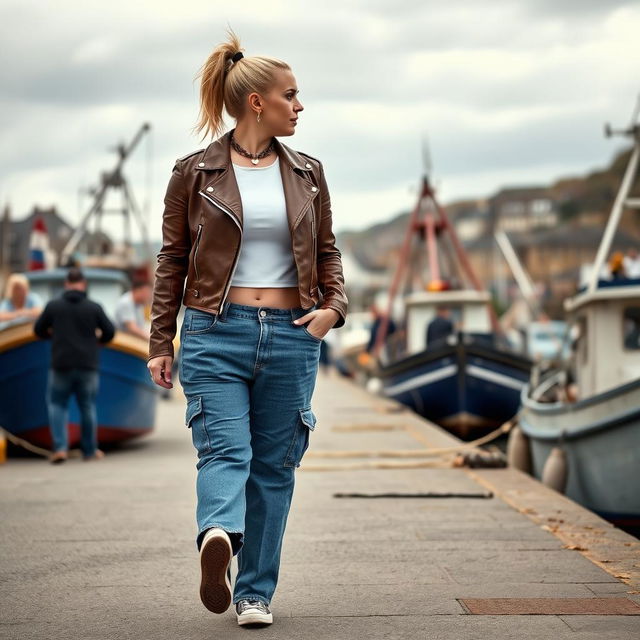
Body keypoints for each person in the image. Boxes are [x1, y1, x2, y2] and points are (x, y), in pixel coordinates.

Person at [146, 29, 348, 627]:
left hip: (292, 332)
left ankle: (252, 590)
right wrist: (162, 340)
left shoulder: (309, 173)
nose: (300, 105)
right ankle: (220, 536)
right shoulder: (194, 174)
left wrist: (334, 308)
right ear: (257, 101)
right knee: (226, 448)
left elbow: (329, 252)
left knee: (274, 466)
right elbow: (172, 260)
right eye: (292, 95)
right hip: (215, 330)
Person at [33, 267, 115, 463]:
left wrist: (51, 335)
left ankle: (60, 448)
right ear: (83, 285)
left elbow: (38, 330)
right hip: (87, 364)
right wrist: (98, 341)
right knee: (87, 406)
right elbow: (110, 332)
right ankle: (89, 451)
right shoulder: (94, 307)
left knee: (57, 404)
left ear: (66, 284)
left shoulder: (53, 306)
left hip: (60, 363)